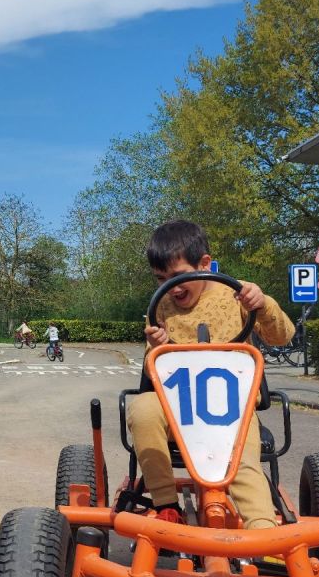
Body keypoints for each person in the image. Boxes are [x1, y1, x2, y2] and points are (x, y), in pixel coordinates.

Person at [126, 220, 296, 529]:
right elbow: (155, 368)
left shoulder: (239, 294)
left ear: (204, 264)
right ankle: (166, 504)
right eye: (161, 279)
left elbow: (282, 337)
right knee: (142, 408)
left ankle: (263, 530)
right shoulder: (161, 305)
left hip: (233, 405)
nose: (172, 287)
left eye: (178, 276)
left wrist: (264, 304)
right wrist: (156, 348)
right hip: (178, 405)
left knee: (241, 461)